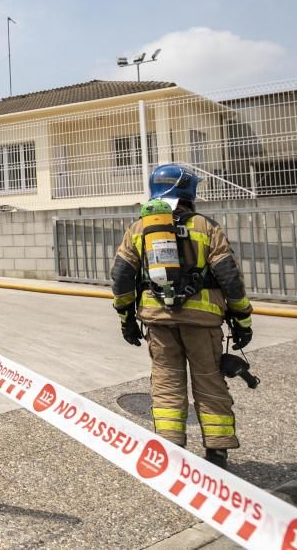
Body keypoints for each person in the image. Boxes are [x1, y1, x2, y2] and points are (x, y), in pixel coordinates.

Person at [111, 164, 253, 470]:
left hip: (157, 319)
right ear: (189, 190)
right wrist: (242, 319)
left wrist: (126, 318)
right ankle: (217, 454)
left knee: (166, 382)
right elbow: (229, 277)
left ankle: (171, 451)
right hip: (203, 321)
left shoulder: (139, 229)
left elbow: (122, 276)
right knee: (209, 381)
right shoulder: (206, 227)